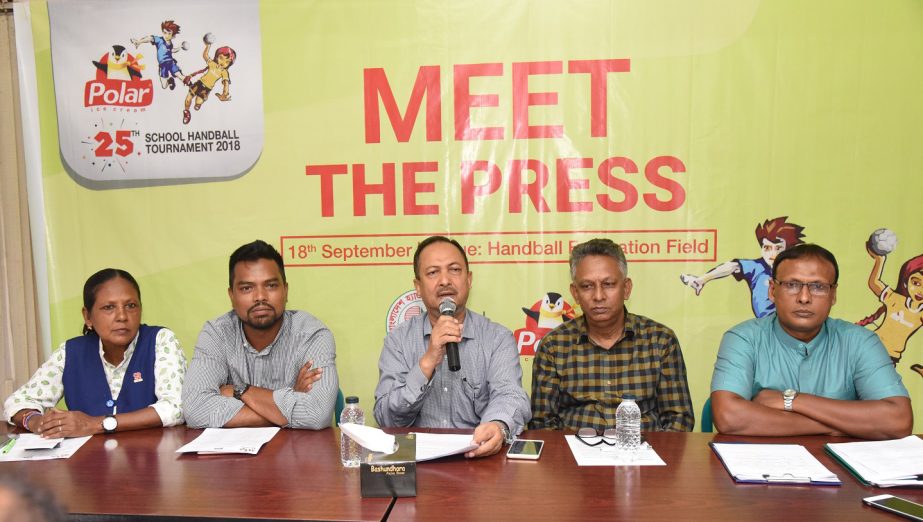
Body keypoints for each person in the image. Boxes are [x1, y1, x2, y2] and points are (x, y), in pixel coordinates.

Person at [711, 243, 913, 440]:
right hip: (760, 466)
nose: (804, 297)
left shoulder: (860, 341)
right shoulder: (744, 339)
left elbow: (898, 420)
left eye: (818, 286)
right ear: (772, 291)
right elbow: (729, 417)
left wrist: (791, 400)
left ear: (833, 294)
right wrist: (836, 424)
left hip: (841, 469)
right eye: (792, 285)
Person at [374, 236, 531, 458]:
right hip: (418, 462)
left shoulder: (497, 338)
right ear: (418, 287)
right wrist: (428, 361)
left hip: (479, 458)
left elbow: (510, 395)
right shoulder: (398, 341)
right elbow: (387, 418)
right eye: (433, 273)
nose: (445, 280)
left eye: (454, 270)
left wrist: (498, 425)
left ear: (469, 280)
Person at [530, 238, 694, 432]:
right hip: (575, 456)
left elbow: (679, 419)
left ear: (626, 288)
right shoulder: (554, 346)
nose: (598, 296)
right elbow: (543, 424)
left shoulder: (660, 340)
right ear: (575, 293)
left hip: (644, 455)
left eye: (608, 284)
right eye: (587, 286)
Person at [3, 269, 185, 437]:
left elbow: (175, 408)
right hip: (89, 465)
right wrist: (38, 422)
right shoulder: (71, 352)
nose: (122, 316)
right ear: (87, 316)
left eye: (131, 305)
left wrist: (96, 424)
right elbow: (18, 401)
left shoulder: (160, 341)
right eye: (109, 307)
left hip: (150, 461)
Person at [182, 240, 337, 429]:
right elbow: (195, 410)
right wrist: (288, 401)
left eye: (271, 285)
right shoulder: (216, 334)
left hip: (298, 455)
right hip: (232, 457)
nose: (260, 297)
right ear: (231, 296)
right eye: (247, 288)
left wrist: (240, 391)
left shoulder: (312, 334)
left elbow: (317, 413)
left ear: (286, 290)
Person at [681, 216, 805, 318]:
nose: (772, 254)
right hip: (764, 331)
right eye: (767, 248)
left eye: (778, 248)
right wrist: (702, 280)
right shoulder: (756, 267)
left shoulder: (801, 271)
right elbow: (732, 266)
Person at [858, 248, 923, 365]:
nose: (920, 291)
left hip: (890, 357)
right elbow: (874, 283)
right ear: (906, 281)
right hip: (870, 348)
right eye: (916, 283)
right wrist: (880, 260)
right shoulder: (895, 299)